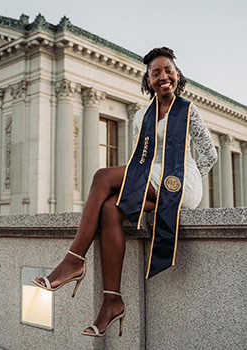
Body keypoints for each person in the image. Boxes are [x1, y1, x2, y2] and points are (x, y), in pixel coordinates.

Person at [33, 47, 218, 337]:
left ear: (177, 75)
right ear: (148, 80)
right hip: (149, 179)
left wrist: (184, 180)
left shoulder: (188, 111)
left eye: (168, 70)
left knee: (102, 176)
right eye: (155, 73)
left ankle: (73, 261)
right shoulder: (142, 116)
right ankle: (112, 301)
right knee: (109, 208)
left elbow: (209, 154)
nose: (163, 76)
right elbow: (138, 161)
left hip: (178, 181)